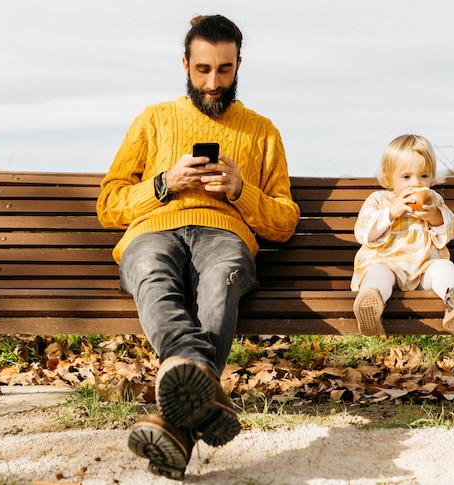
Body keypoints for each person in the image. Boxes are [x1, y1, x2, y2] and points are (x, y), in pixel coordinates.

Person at [96, 14, 300, 481]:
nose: (213, 82)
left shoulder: (261, 130)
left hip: (223, 235)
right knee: (150, 273)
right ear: (185, 64)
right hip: (154, 230)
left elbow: (285, 222)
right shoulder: (152, 120)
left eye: (224, 70)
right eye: (203, 69)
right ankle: (195, 386)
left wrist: (239, 190)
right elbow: (108, 205)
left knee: (222, 279)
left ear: (239, 65)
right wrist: (164, 184)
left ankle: (177, 414)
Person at [350, 134, 454, 336]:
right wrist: (392, 212)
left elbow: (452, 229)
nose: (416, 183)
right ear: (389, 178)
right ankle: (370, 303)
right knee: (378, 273)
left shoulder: (434, 201)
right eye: (406, 177)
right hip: (387, 264)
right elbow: (363, 232)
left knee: (443, 266)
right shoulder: (379, 200)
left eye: (423, 176)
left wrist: (435, 217)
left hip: (424, 268)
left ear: (432, 176)